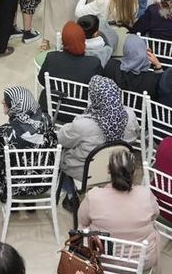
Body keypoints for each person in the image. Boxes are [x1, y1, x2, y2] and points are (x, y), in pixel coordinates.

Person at [57, 75, 140, 208]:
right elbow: (135, 137)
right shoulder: (130, 115)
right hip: (119, 169)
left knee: (61, 154)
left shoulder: (82, 125)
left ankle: (71, 196)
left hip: (84, 173)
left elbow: (61, 139)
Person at [77, 148, 160, 268]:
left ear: (108, 170)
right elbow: (155, 215)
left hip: (102, 260)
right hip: (142, 262)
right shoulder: (146, 195)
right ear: (134, 172)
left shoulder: (93, 196)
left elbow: (82, 222)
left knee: (83, 229)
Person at [37, 21, 105, 89]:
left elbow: (41, 79)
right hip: (82, 96)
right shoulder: (93, 63)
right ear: (83, 40)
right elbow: (98, 87)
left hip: (54, 95)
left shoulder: (51, 58)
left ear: (63, 40)